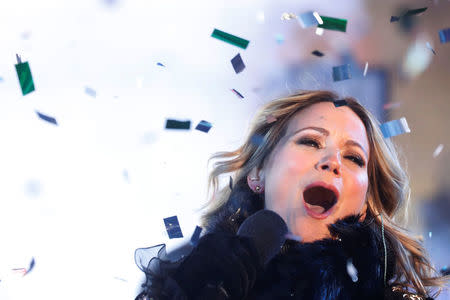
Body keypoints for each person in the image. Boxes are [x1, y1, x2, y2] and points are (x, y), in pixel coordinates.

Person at [135, 90, 448, 299]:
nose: (332, 162)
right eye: (310, 141)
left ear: (365, 205)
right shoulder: (191, 277)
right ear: (259, 174)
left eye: (353, 158)